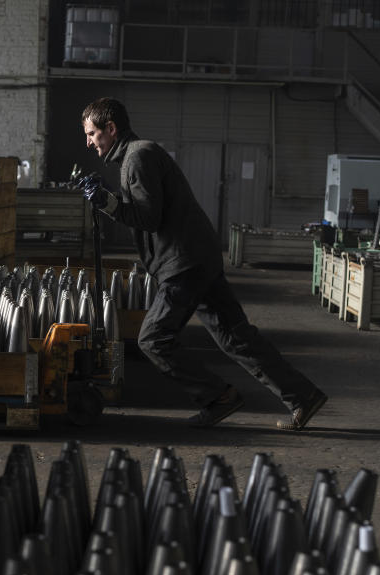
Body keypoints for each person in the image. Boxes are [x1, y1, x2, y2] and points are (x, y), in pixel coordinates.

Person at [78, 97, 327, 429]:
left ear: (111, 129)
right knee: (236, 337)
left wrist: (109, 204)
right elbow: (148, 208)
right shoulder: (139, 155)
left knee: (153, 339)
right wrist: (111, 198)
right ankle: (302, 396)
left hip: (184, 262)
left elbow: (148, 218)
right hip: (198, 255)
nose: (89, 142)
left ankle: (218, 396)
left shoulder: (137, 157)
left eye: (92, 133)